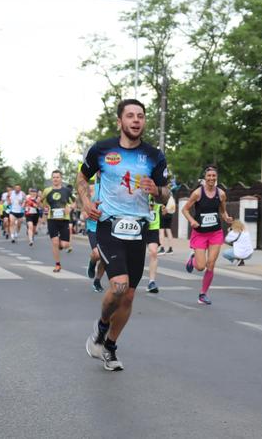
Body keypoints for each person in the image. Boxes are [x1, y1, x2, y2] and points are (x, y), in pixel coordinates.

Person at [81, 99, 169, 372]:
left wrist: (157, 190)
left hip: (138, 228)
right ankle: (101, 326)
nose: (135, 120)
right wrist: (85, 202)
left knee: (129, 296)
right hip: (109, 224)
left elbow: (166, 194)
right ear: (120, 121)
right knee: (118, 285)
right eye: (130, 116)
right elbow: (82, 179)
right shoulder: (101, 150)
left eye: (140, 116)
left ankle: (109, 346)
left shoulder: (155, 156)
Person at [181, 165, 234, 305]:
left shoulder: (221, 194)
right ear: (205, 178)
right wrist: (192, 221)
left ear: (216, 178)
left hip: (215, 233)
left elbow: (222, 211)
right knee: (200, 266)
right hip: (200, 234)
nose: (211, 178)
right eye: (209, 176)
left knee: (211, 264)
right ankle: (192, 261)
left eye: (213, 176)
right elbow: (185, 209)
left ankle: (203, 294)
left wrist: (226, 218)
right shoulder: (197, 193)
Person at [42, 170, 74, 272]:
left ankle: (60, 245)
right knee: (55, 242)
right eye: (54, 177)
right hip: (52, 219)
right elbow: (41, 202)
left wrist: (70, 208)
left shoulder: (66, 191)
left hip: (64, 219)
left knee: (64, 245)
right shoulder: (47, 191)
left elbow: (74, 203)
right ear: (52, 179)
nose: (55, 179)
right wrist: (44, 207)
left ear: (61, 179)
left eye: (57, 177)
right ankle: (57, 264)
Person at [83, 182, 106, 293]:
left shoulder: (116, 187)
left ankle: (97, 281)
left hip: (108, 227)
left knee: (105, 257)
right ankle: (92, 264)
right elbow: (83, 214)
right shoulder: (91, 189)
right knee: (97, 253)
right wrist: (91, 211)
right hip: (93, 227)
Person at [145, 195, 162, 293]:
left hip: (153, 227)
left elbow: (167, 202)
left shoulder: (158, 192)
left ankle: (151, 282)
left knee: (154, 252)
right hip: (140, 225)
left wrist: (166, 207)